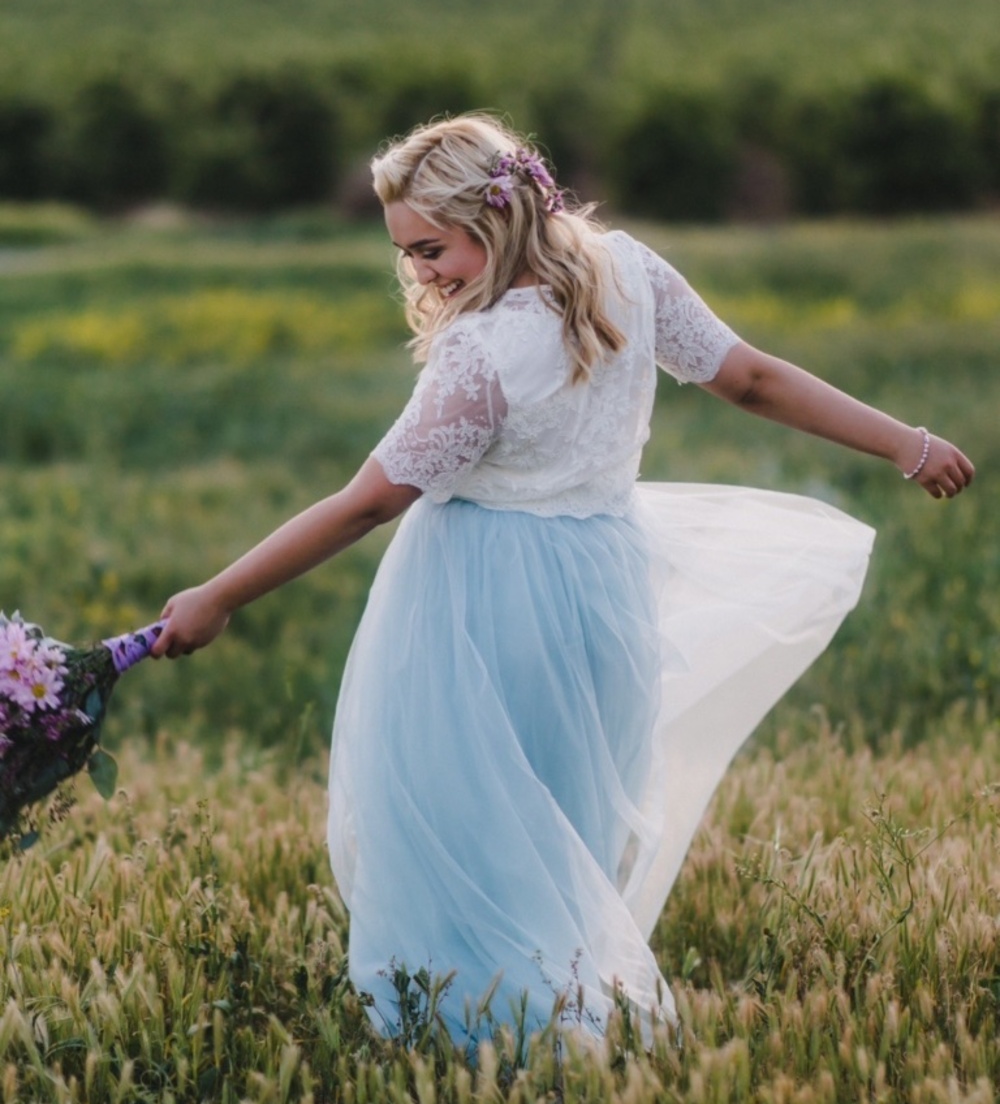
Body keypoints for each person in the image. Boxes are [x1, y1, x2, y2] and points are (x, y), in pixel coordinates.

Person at [152, 114, 974, 1045]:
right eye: (407, 254)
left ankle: (480, 1036)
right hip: (603, 583)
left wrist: (218, 594)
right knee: (564, 819)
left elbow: (367, 503)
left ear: (493, 221)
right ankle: (556, 1020)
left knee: (460, 818)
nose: (419, 273)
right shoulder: (628, 270)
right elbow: (748, 377)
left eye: (432, 249)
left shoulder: (483, 350)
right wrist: (906, 442)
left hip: (481, 599)